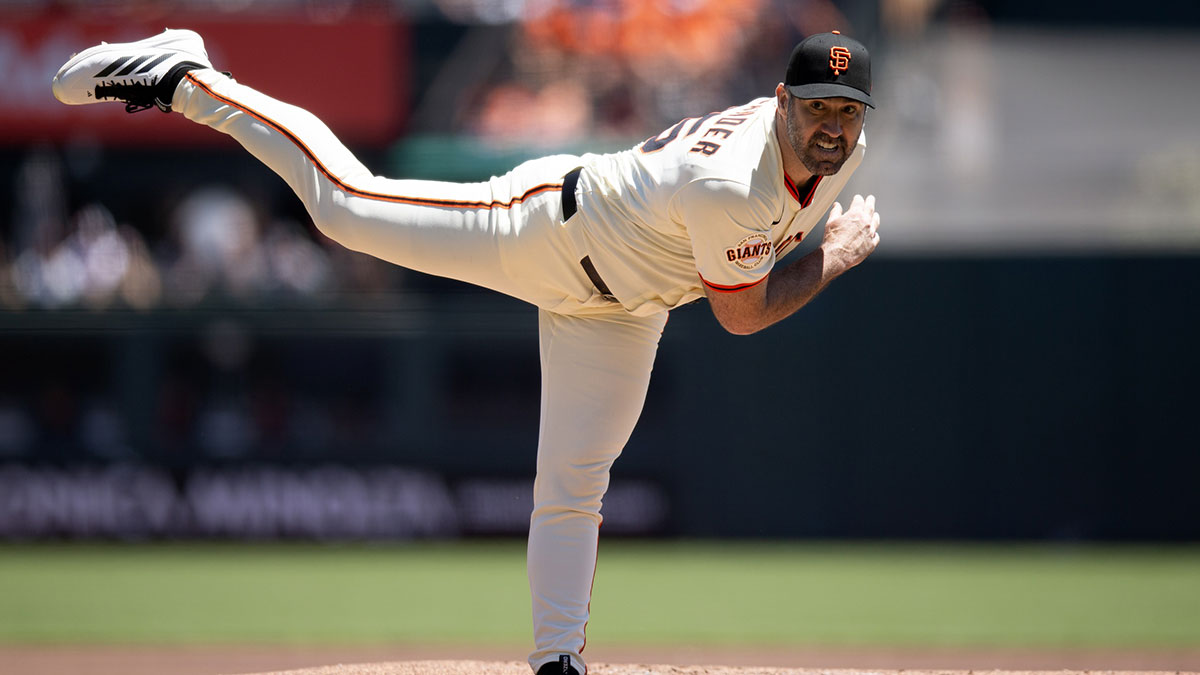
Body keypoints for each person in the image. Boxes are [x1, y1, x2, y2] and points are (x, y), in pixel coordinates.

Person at [52, 28, 880, 675]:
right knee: (346, 205)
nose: (833, 126)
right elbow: (741, 315)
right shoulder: (732, 181)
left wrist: (813, 243)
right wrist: (835, 256)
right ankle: (190, 79)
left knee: (574, 482)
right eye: (819, 107)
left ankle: (557, 659)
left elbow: (751, 262)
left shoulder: (839, 155)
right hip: (552, 230)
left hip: (630, 304)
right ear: (782, 101)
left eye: (848, 111)